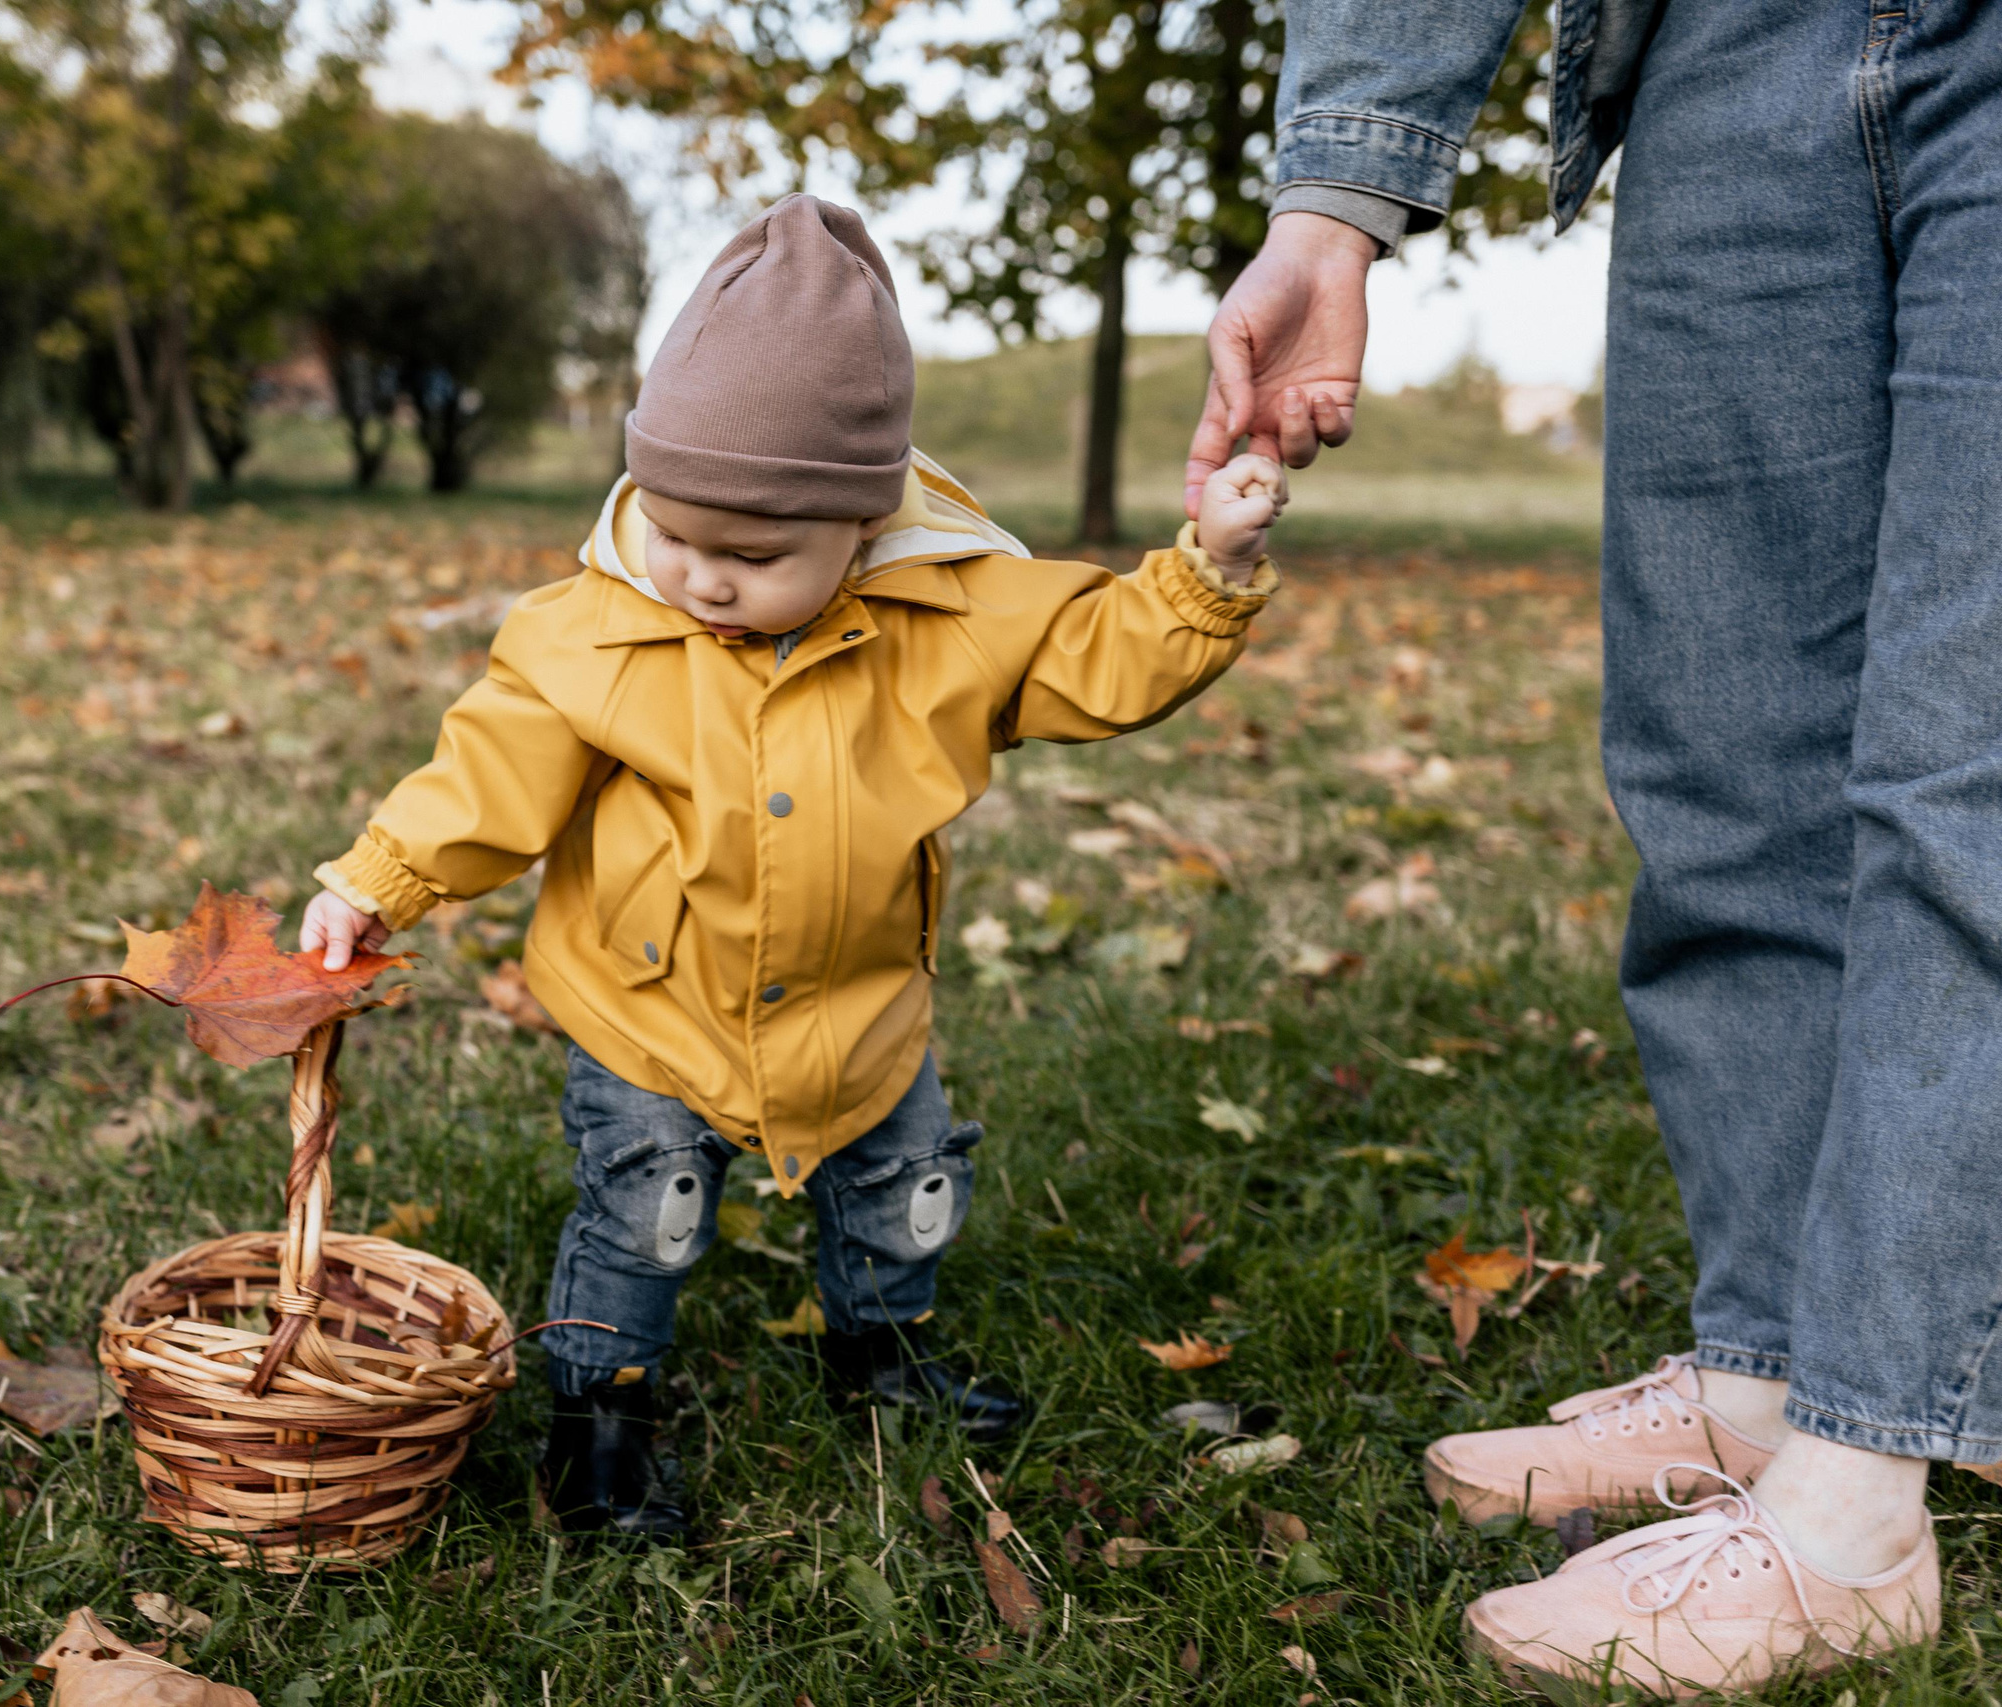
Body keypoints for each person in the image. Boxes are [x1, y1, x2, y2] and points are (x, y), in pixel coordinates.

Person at [1193, 0, 2001, 1693]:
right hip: (1735, 46)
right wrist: (1334, 200)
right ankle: (1774, 1382)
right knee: (1724, 753)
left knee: (1965, 765)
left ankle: (1862, 1500)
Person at [300, 193, 1288, 1541]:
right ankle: (601, 1410)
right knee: (644, 1211)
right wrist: (378, 877)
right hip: (649, 1006)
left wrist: (1207, 575)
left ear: (863, 528)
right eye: (675, 533)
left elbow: (1098, 656)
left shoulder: (948, 615)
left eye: (755, 557)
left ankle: (882, 1357)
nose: (701, 578)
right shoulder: (590, 634)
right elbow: (489, 777)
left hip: (860, 1001)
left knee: (906, 1190)